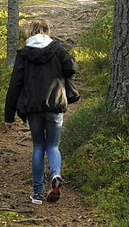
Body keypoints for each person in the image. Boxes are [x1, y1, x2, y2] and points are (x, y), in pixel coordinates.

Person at [5, 17, 79, 204]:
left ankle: (37, 193)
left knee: (38, 146)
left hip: (33, 107)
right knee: (53, 145)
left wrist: (9, 115)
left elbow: (15, 84)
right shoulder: (58, 48)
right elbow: (70, 69)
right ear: (47, 30)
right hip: (55, 105)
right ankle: (55, 174)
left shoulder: (24, 54)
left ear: (31, 32)